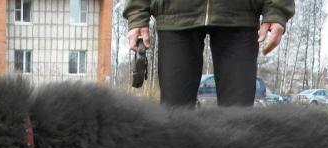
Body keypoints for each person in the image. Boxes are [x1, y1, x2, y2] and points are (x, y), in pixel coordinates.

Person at [124, 0, 295, 108]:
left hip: (241, 14)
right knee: (174, 120)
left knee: (239, 123)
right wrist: (137, 12)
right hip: (175, 13)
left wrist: (277, 9)